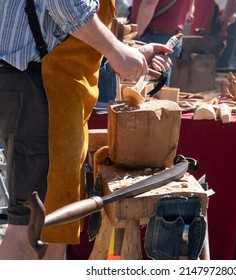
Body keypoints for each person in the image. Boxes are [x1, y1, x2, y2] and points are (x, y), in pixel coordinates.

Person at [0, 0, 172, 260]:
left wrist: (127, 51)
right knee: (33, 225)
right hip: (40, 86)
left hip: (41, 84)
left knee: (51, 221)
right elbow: (65, 4)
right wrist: (115, 51)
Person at [130, 0, 195, 86]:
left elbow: (149, 3)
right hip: (171, 35)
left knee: (145, 89)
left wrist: (137, 33)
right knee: (157, 88)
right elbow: (189, 13)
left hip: (153, 35)